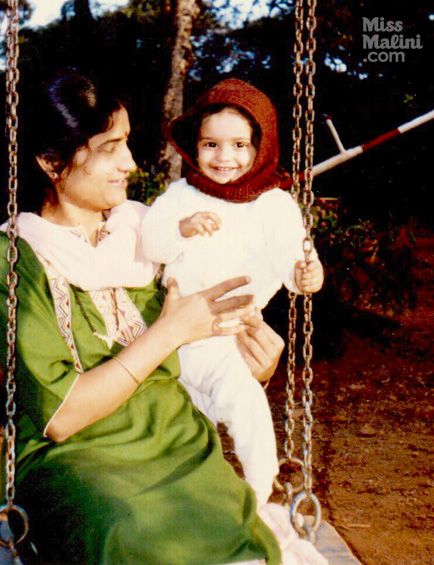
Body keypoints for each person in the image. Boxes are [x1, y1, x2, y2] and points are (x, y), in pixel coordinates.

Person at [0, 70, 327, 565]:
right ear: (52, 161)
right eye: (111, 147)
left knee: (239, 535)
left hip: (178, 442)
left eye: (129, 145)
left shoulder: (146, 231)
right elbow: (62, 417)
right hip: (76, 457)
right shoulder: (16, 256)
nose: (130, 163)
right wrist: (170, 331)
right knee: (131, 535)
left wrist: (252, 368)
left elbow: (194, 359)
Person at [140, 78, 324, 507]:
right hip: (176, 338)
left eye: (240, 145)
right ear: (194, 145)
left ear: (261, 146)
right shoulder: (181, 195)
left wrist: (306, 274)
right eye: (211, 145)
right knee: (186, 425)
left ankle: (260, 493)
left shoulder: (273, 204)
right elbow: (151, 244)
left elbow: (293, 257)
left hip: (230, 340)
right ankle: (188, 498)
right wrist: (180, 230)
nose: (224, 158)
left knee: (247, 408)